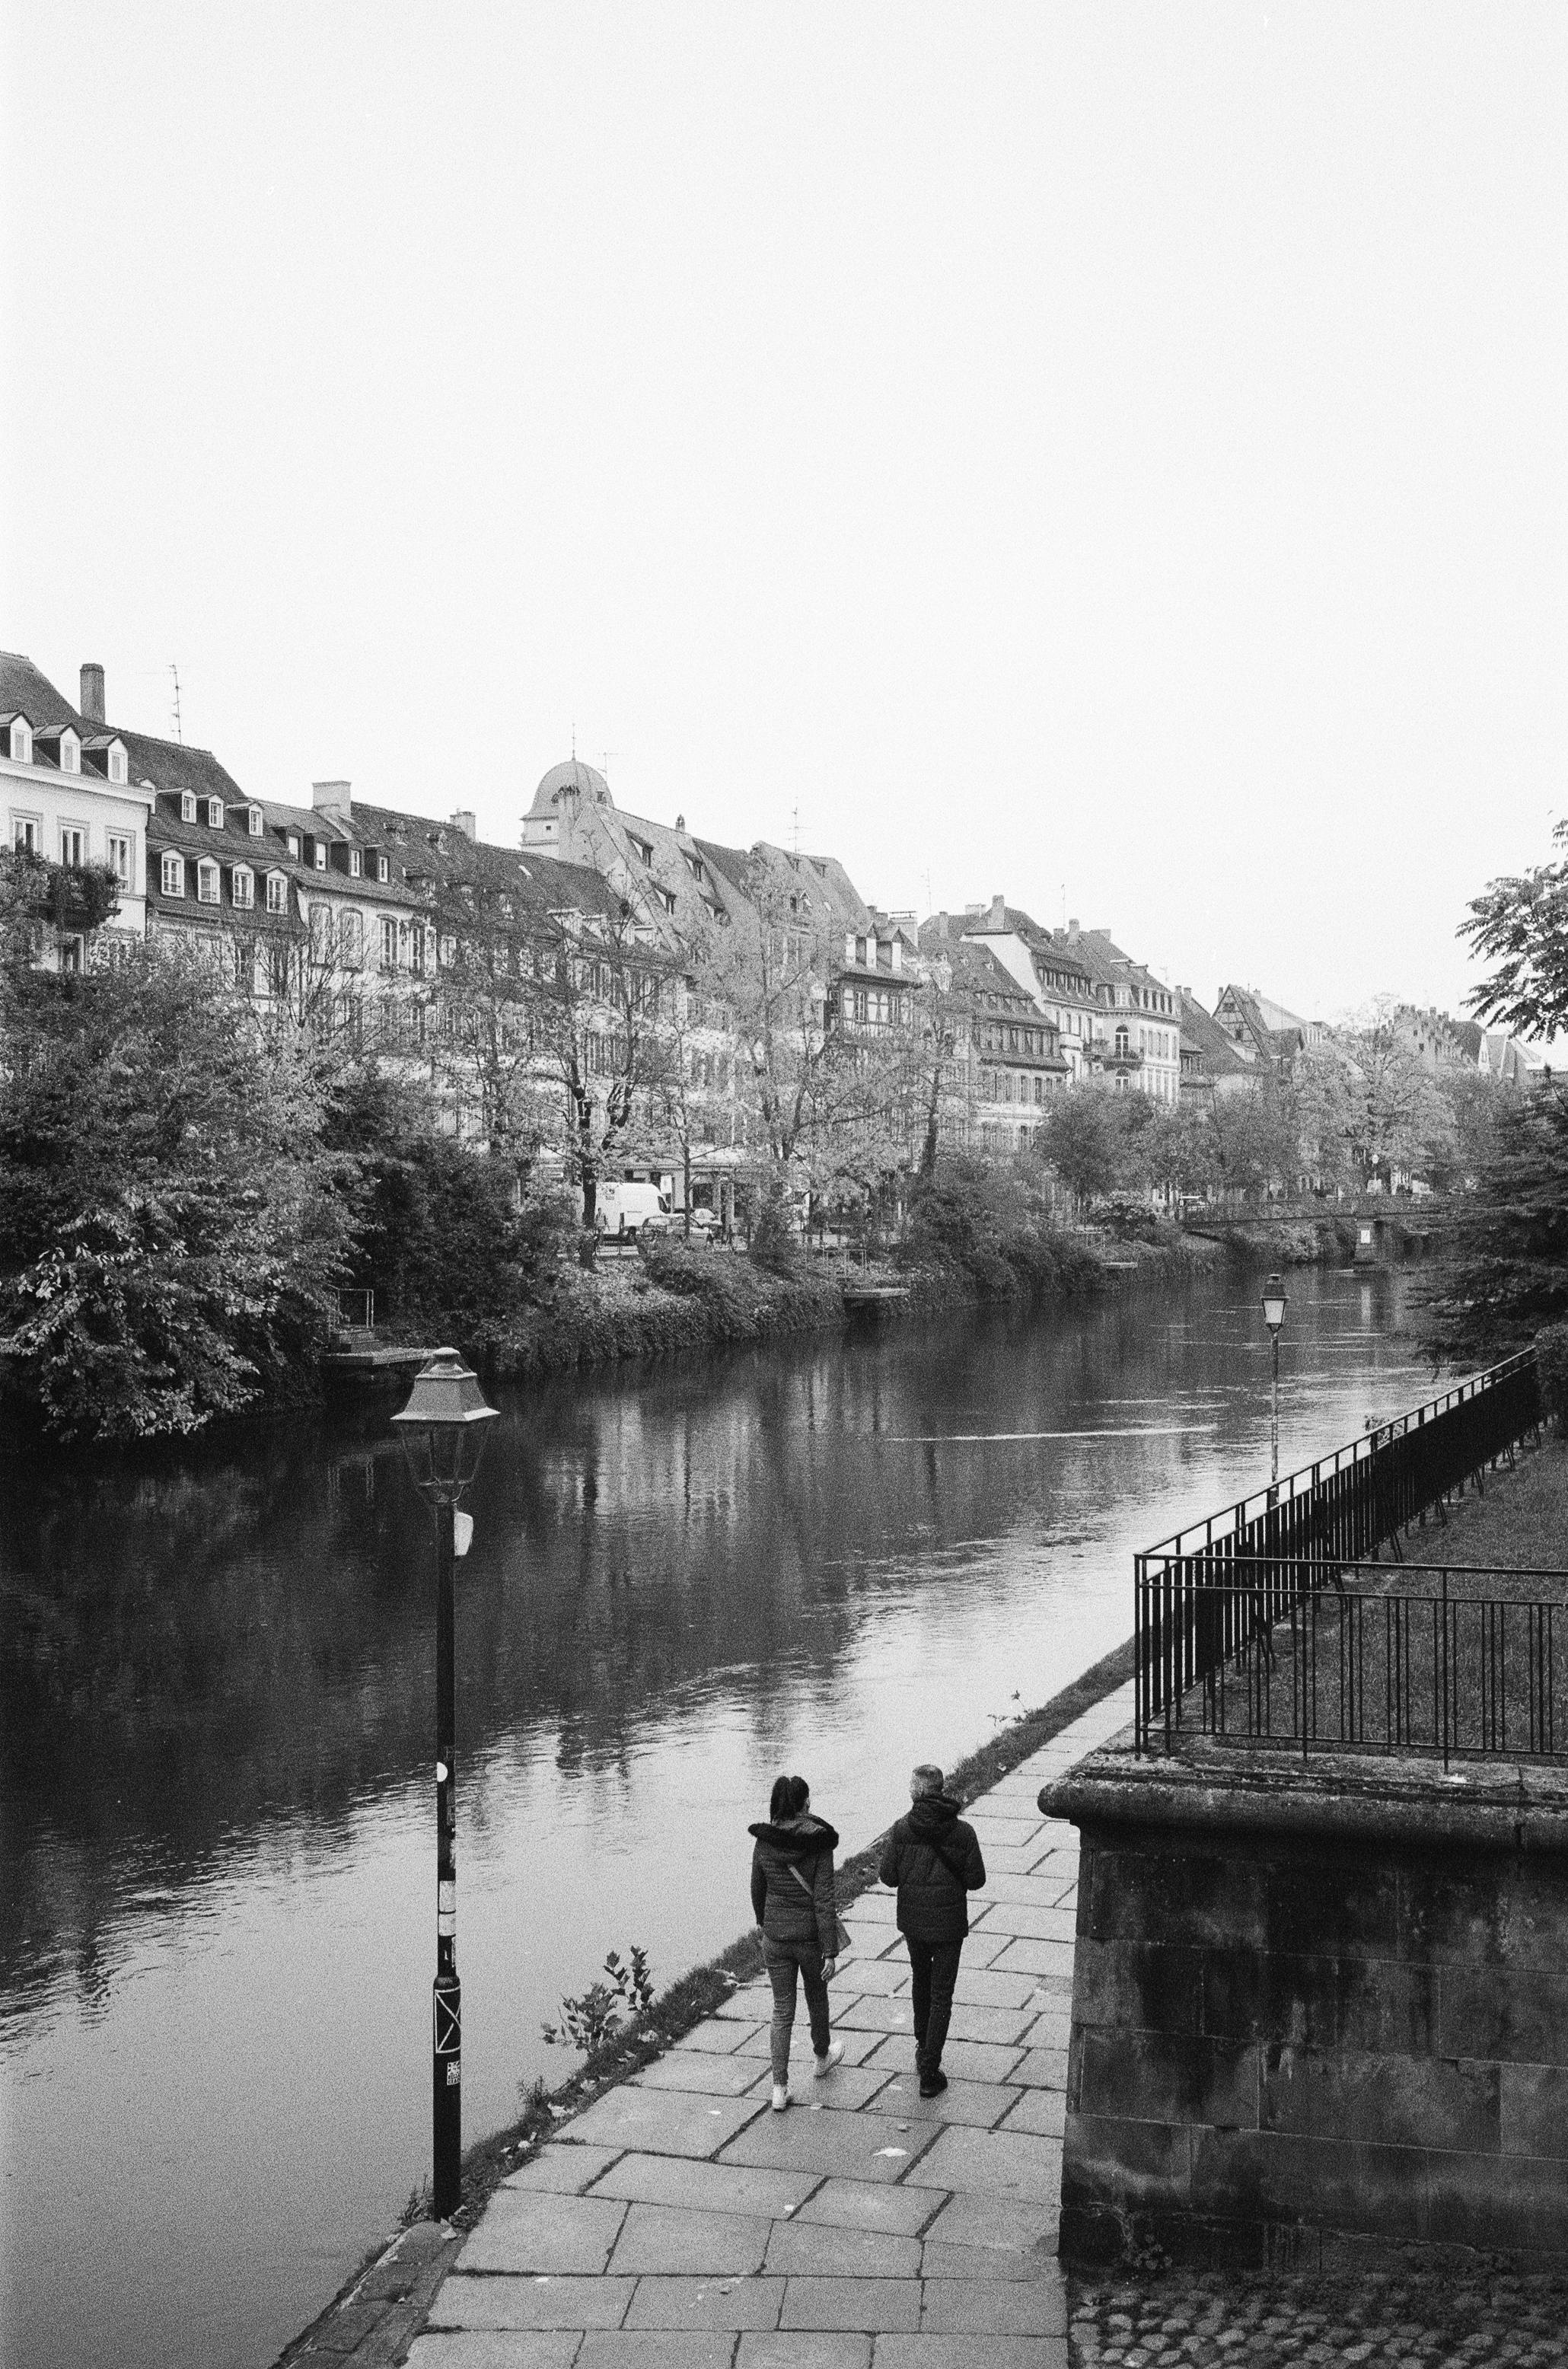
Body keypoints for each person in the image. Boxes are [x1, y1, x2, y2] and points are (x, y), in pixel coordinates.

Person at [878, 1762, 986, 2097]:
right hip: (949, 1926)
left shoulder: (901, 1829)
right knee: (942, 1995)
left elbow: (888, 1877)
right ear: (940, 1790)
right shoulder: (963, 1832)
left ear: (916, 1791)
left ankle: (920, 2048)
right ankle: (930, 2067)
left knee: (921, 1984)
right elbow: (976, 1880)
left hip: (914, 1924)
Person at [749, 1773, 846, 2111]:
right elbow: (824, 1900)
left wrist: (767, 1925)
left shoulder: (764, 1842)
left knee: (782, 2009)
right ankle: (821, 2057)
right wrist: (830, 1951)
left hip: (775, 1938)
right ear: (805, 1804)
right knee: (816, 1997)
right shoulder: (818, 1844)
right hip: (809, 1939)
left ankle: (779, 2088)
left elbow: (757, 1891)